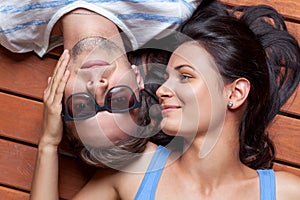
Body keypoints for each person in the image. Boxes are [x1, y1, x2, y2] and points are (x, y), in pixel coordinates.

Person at [31, 1, 300, 199]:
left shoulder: (284, 193)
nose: (160, 91)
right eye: (165, 79)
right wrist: (48, 144)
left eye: (184, 77)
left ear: (235, 93)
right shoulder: (135, 171)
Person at [0, 0, 202, 57]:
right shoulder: (168, 16)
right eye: (119, 101)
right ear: (136, 78)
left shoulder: (9, 26)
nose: (98, 87)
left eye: (81, 105)